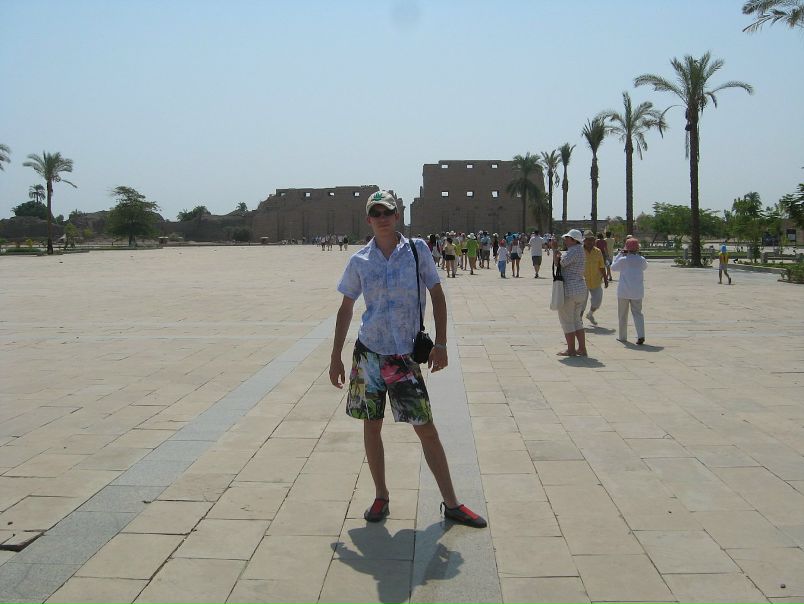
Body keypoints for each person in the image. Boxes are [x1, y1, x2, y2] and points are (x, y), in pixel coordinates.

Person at [329, 190, 487, 528]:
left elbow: (437, 295)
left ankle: (452, 502)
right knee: (372, 426)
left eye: (387, 212)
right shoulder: (360, 261)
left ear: (397, 216)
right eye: (376, 213)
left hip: (403, 356)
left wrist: (441, 343)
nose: (382, 218)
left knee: (425, 428)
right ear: (368, 219)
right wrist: (335, 357)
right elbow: (346, 308)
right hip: (369, 353)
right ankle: (381, 495)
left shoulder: (417, 251)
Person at [553, 229, 587, 356]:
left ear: (573, 240)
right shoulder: (580, 250)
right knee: (577, 321)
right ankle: (582, 348)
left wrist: (555, 250)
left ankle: (571, 349)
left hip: (570, 290)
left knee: (567, 321)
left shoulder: (573, 250)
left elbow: (560, 263)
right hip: (580, 289)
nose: (565, 240)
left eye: (567, 238)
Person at [611, 238, 648, 345]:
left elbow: (613, 267)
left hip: (624, 291)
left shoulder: (623, 260)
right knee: (638, 314)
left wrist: (619, 254)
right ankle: (641, 335)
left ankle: (622, 337)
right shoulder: (641, 259)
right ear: (637, 248)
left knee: (622, 314)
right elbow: (645, 267)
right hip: (637, 291)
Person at [581, 230, 608, 325]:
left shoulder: (598, 251)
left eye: (591, 240)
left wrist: (605, 279)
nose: (589, 242)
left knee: (597, 301)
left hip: (596, 280)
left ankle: (590, 314)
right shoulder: (579, 251)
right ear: (584, 241)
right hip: (582, 281)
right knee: (582, 303)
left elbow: (602, 266)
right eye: (587, 240)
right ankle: (579, 320)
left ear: (594, 240)